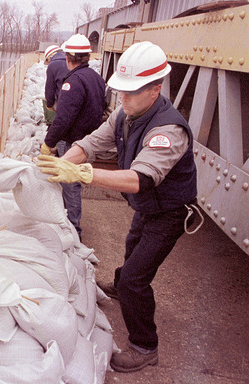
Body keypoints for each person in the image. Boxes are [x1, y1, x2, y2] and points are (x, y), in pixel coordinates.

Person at [36, 41, 200, 373]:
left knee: (136, 279)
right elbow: (92, 143)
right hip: (148, 207)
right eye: (120, 91)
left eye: (131, 92)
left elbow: (141, 178)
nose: (121, 98)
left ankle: (144, 346)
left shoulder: (168, 130)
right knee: (131, 248)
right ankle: (123, 285)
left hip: (169, 211)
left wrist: (82, 173)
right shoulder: (127, 114)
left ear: (154, 90)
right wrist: (61, 166)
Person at [40, 34, 106, 239]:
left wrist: (48, 142)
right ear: (86, 56)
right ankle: (69, 222)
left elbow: (62, 119)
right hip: (88, 139)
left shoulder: (72, 82)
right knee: (72, 181)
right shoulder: (96, 77)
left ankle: (73, 230)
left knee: (70, 183)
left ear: (68, 58)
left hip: (72, 141)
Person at [42, 44, 68, 125]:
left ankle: (53, 122)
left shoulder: (52, 65)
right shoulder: (70, 59)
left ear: (49, 57)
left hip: (65, 103)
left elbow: (50, 89)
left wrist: (49, 105)